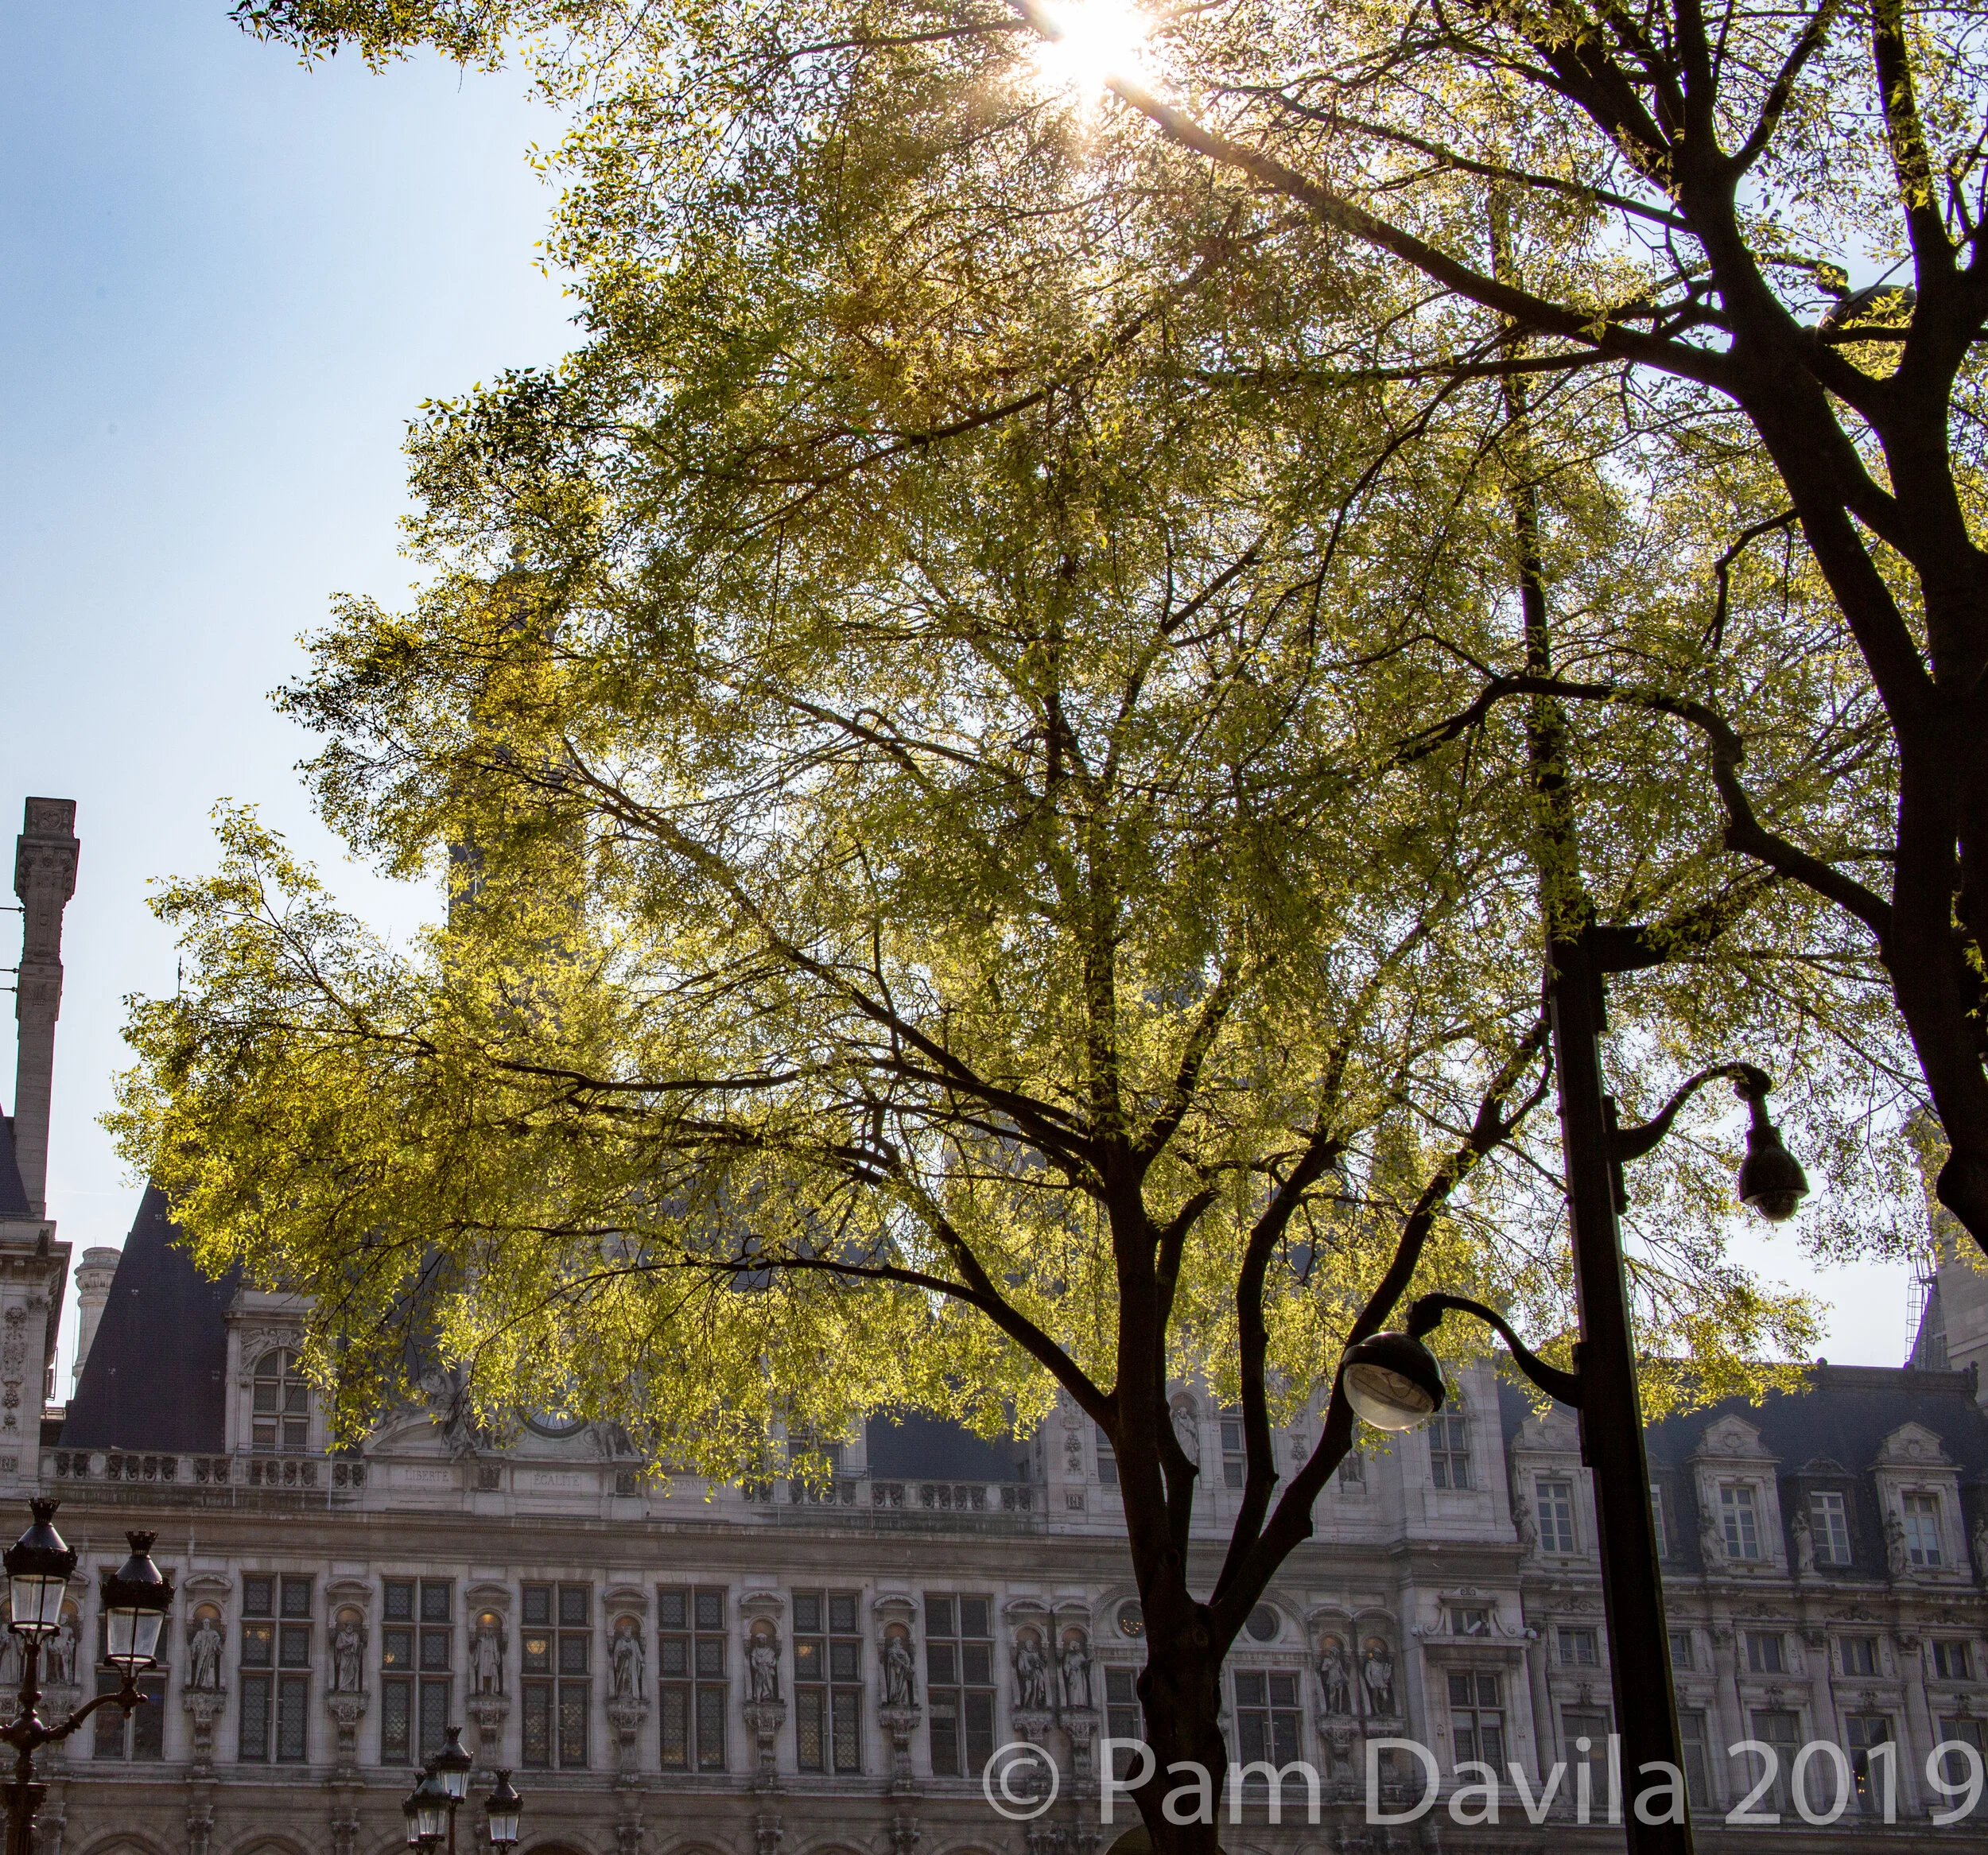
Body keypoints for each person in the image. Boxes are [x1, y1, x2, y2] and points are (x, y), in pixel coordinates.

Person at [189, 1616, 223, 1691]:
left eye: (208, 1622)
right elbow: (195, 1642)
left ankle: (210, 1684)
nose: (206, 1624)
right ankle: (200, 1683)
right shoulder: (200, 1633)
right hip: (202, 1655)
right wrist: (196, 1647)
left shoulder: (213, 1632)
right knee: (201, 1668)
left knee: (210, 1669)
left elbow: (218, 1640)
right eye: (205, 1622)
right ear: (203, 1624)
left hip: (211, 1655)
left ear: (210, 1623)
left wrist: (216, 1645)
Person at [882, 1632, 916, 1707]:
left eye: (899, 1641)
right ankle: (895, 1699)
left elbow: (908, 1659)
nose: (899, 1642)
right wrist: (903, 1664)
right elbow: (893, 1657)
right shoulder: (891, 1650)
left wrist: (907, 1665)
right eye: (897, 1641)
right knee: (894, 1685)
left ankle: (903, 1700)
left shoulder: (904, 1652)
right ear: (894, 1642)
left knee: (903, 1685)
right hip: (895, 1670)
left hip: (903, 1672)